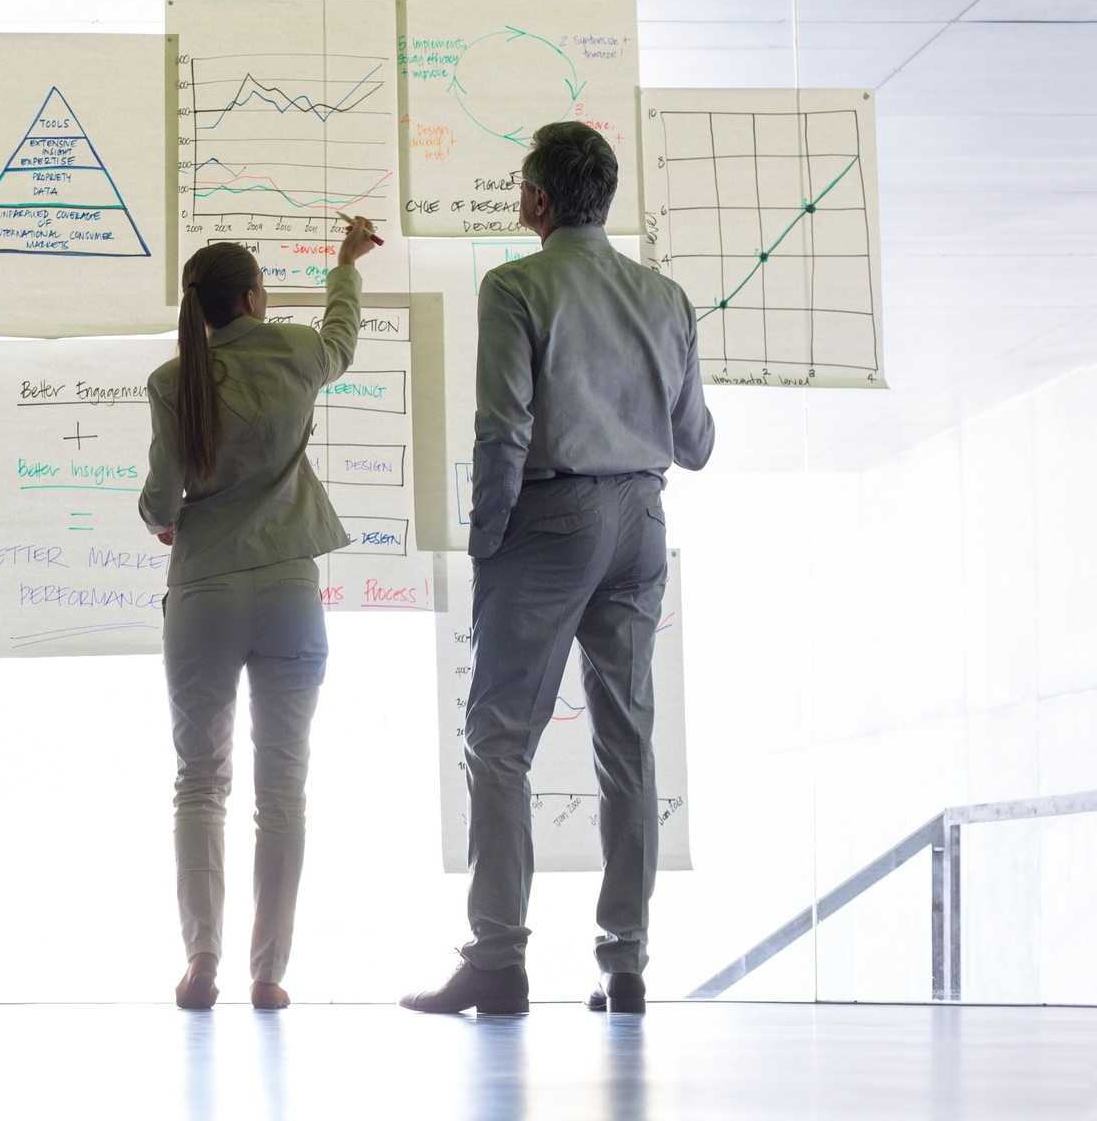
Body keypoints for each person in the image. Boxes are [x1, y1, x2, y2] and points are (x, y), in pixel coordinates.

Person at [402, 121, 715, 1018]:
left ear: (537, 199)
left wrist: (486, 539)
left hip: (549, 518)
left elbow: (501, 426)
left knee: (499, 739)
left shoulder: (516, 285)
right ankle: (626, 964)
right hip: (643, 519)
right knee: (628, 741)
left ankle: (497, 958)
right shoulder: (667, 296)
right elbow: (696, 442)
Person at [139, 217, 382, 1011]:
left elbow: (161, 500)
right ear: (253, 297)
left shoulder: (174, 381)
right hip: (288, 593)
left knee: (199, 783)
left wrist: (166, 516)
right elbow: (343, 337)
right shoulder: (295, 352)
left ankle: (201, 957)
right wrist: (345, 265)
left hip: (204, 593)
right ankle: (268, 973)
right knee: (284, 791)